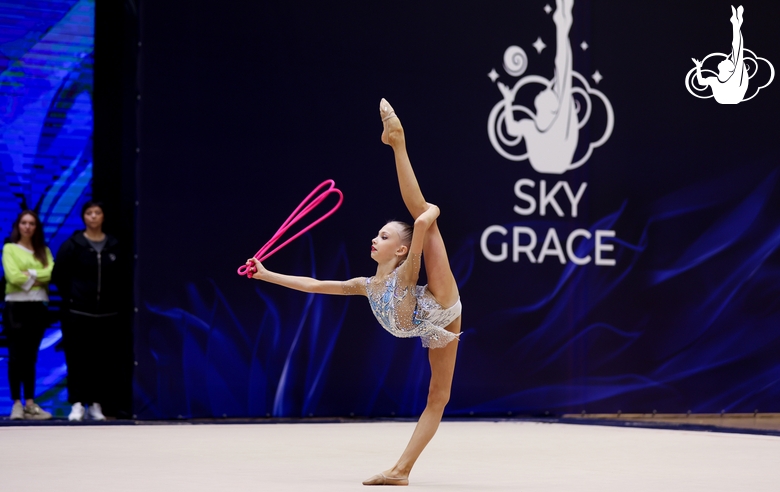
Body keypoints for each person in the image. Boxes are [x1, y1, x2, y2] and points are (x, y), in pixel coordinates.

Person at [246, 98, 462, 486]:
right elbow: (314, 285)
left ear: (398, 249)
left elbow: (419, 234)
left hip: (441, 310)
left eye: (384, 236)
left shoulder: (406, 272)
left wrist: (430, 217)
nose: (374, 239)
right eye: (377, 233)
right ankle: (402, 472)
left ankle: (397, 141)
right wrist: (266, 275)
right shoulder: (365, 285)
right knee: (420, 214)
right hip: (416, 320)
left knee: (438, 397)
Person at [52, 201, 122, 421]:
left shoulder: (114, 245)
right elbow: (59, 275)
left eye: (97, 213)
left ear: (103, 217)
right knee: (77, 359)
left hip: (106, 314)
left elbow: (123, 277)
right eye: (89, 213)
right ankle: (77, 403)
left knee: (101, 361)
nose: (93, 217)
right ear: (83, 217)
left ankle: (96, 404)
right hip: (77, 312)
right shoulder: (73, 244)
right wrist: (73, 297)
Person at [497, 0, 578, 174]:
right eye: (550, 90)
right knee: (562, 75)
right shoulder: (531, 126)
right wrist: (508, 101)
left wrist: (562, 28)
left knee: (563, 73)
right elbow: (511, 128)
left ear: (552, 108)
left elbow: (563, 66)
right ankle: (562, 24)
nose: (546, 89)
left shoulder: (556, 123)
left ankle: (562, 25)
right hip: (548, 160)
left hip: (557, 159)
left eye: (551, 92)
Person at [2, 210, 54, 420]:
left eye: (31, 223)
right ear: (18, 225)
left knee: (31, 357)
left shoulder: (43, 250)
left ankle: (31, 404)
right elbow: (12, 276)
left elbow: (50, 273)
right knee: (16, 356)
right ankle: (16, 404)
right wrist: (36, 276)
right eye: (24, 223)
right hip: (16, 307)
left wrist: (28, 274)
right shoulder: (10, 248)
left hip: (38, 307)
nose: (27, 227)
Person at [692, 6, 748, 105]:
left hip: (732, 96)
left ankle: (736, 24)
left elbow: (737, 49)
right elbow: (701, 82)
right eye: (727, 60)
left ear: (728, 69)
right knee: (737, 52)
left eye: (727, 61)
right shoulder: (715, 80)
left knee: (737, 51)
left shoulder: (725, 78)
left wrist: (698, 68)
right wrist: (698, 67)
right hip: (731, 97)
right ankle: (736, 24)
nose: (724, 59)